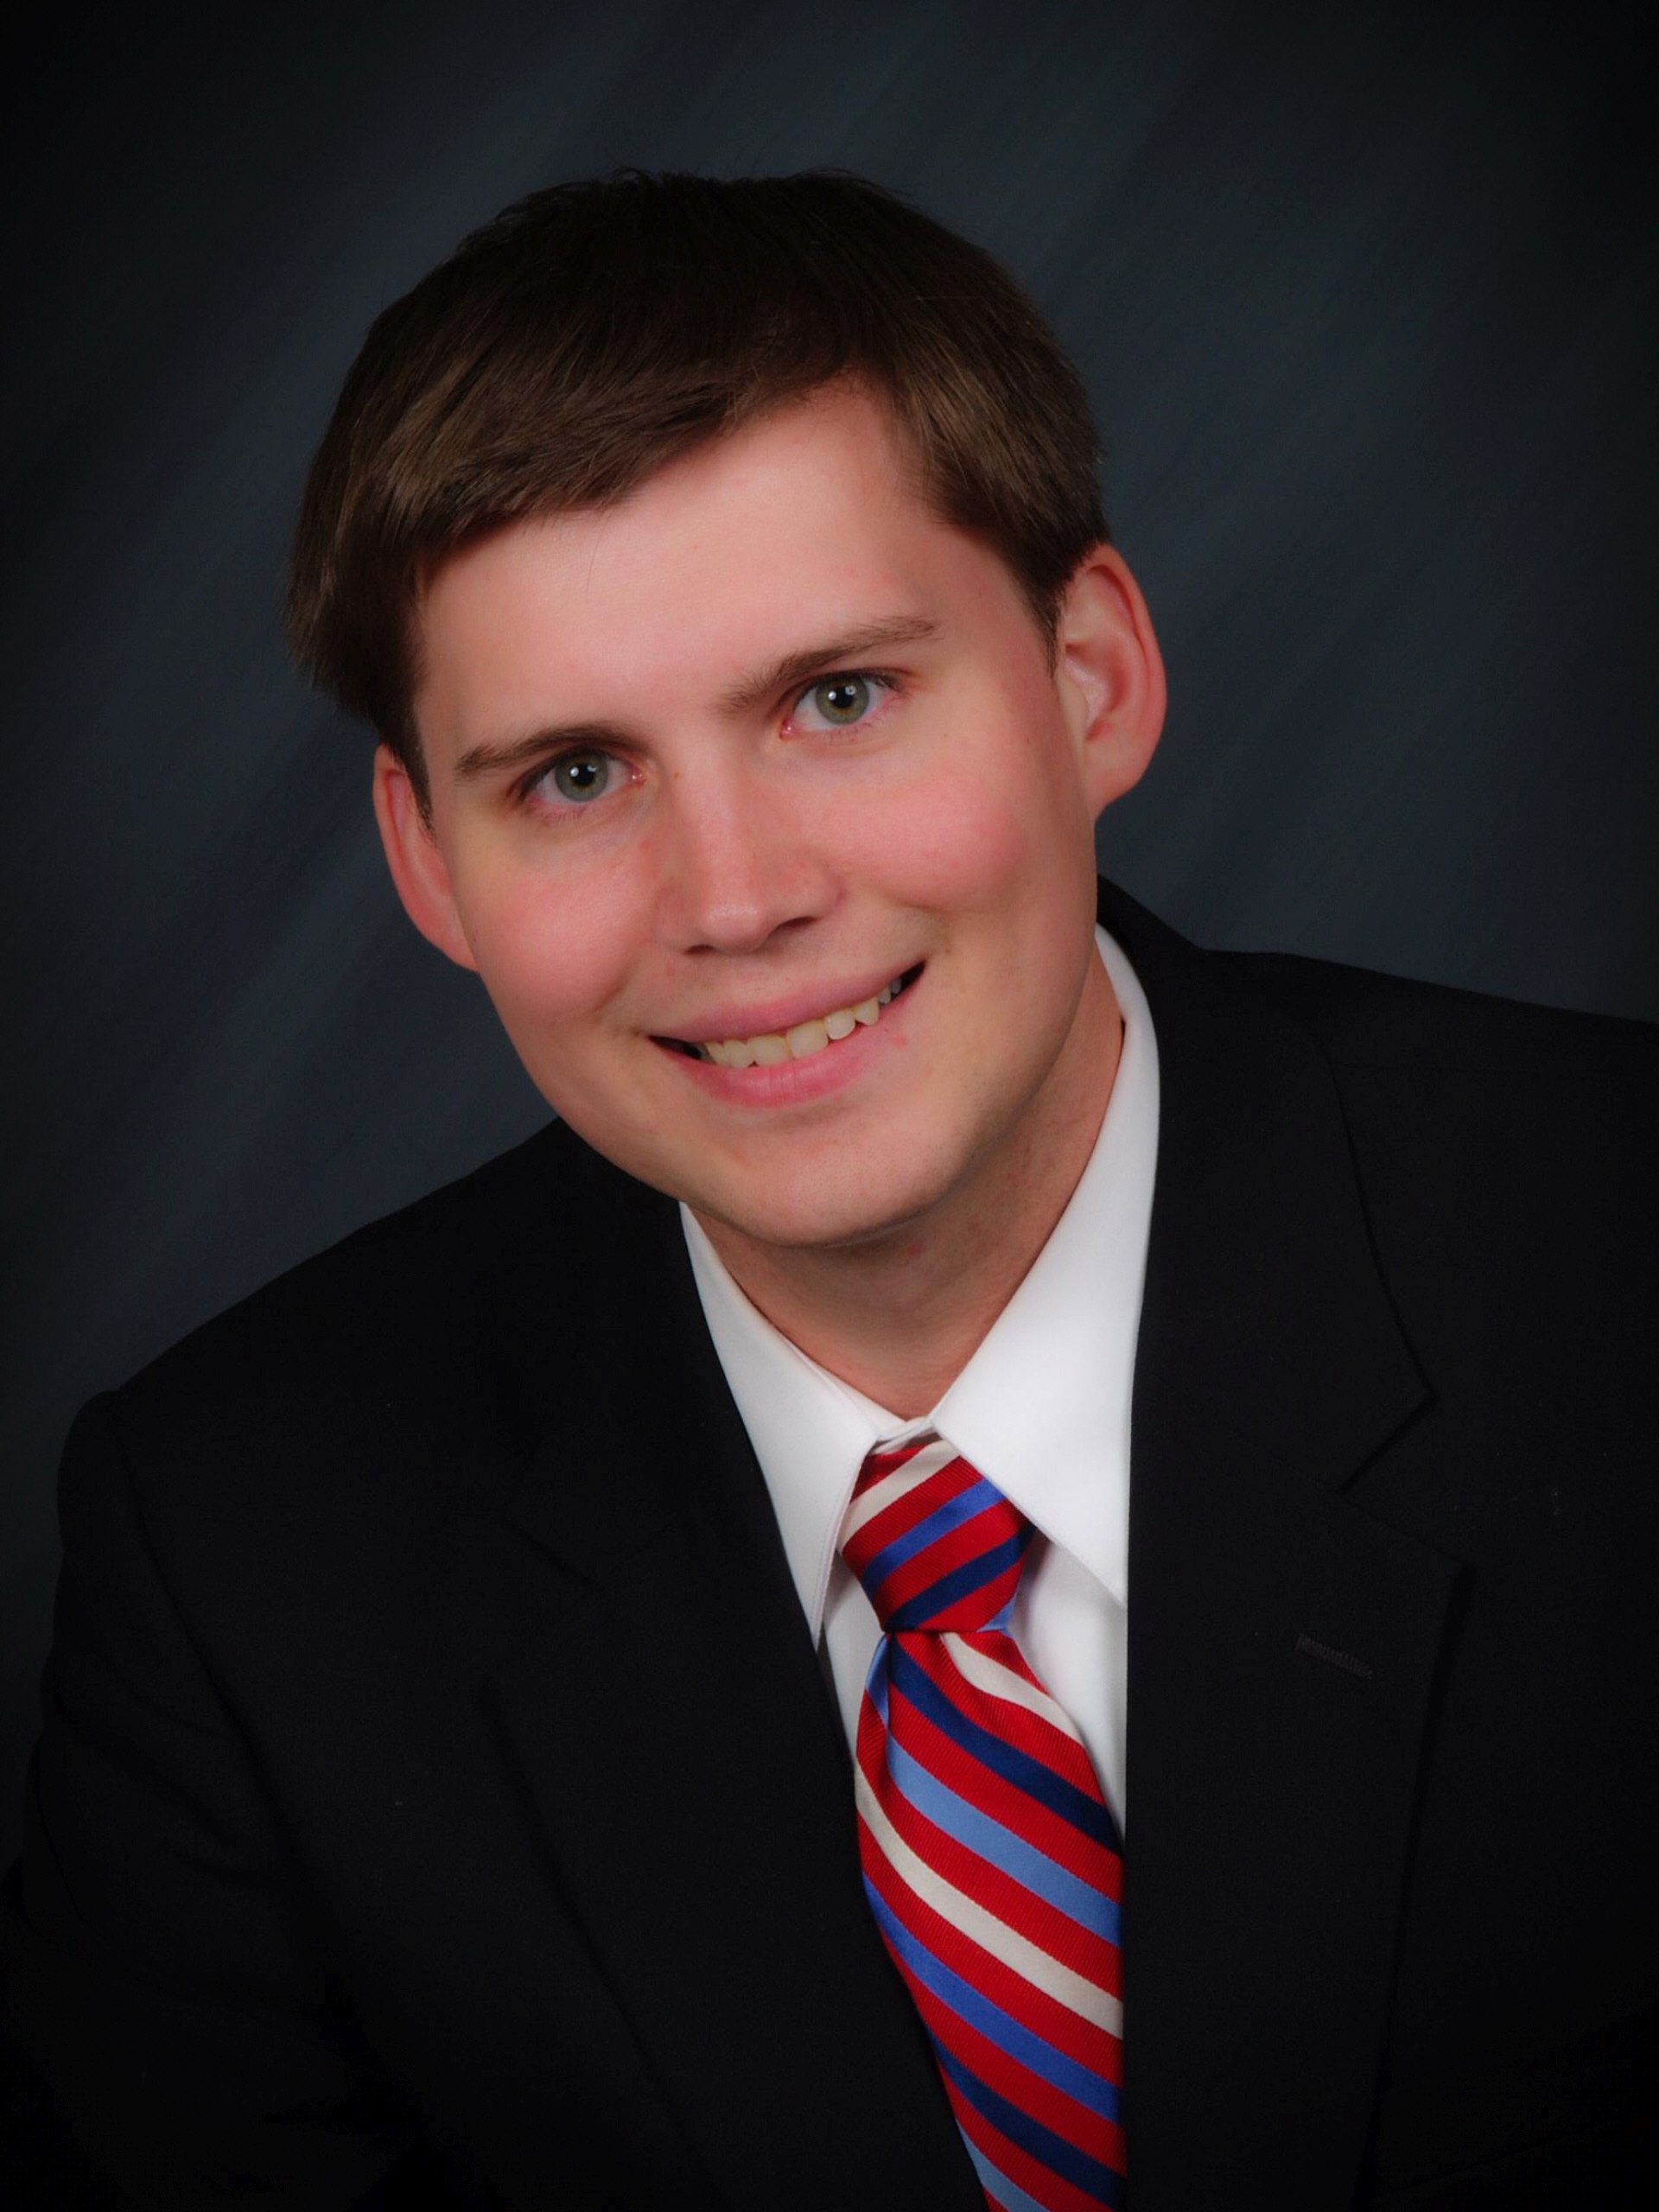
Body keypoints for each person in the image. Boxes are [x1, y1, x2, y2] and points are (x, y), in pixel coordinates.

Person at [3, 170, 1656, 2212]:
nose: (738, 897)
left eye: (839, 698)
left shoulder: (1611, 1255)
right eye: (576, 775)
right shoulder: (237, 1558)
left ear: (1092, 681)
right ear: (428, 863)